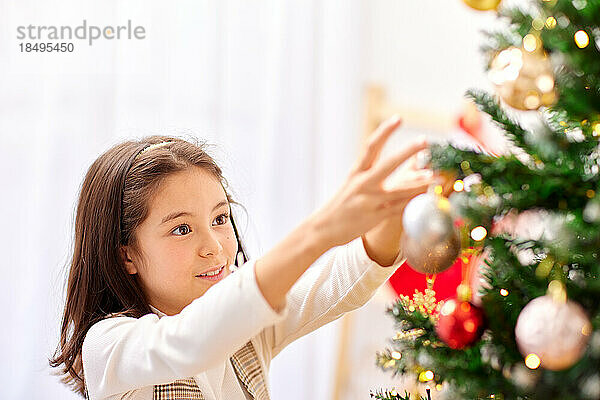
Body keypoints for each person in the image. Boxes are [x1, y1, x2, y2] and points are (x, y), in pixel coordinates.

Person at [49, 115, 435, 399]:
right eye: (182, 229)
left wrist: (394, 212)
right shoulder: (109, 347)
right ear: (126, 256)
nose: (214, 246)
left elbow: (339, 283)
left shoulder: (248, 327)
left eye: (220, 218)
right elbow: (191, 341)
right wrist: (323, 228)